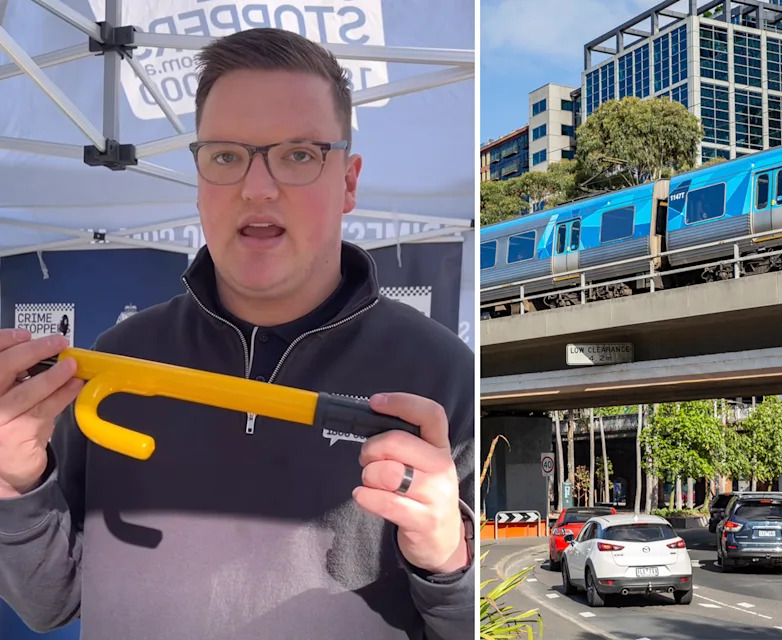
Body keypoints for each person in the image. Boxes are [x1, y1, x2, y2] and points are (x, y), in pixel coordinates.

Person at [0, 28, 474, 639]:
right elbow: (50, 603)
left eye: (299, 154)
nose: (257, 186)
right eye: (226, 155)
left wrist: (447, 564)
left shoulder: (441, 377)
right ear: (199, 179)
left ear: (349, 182)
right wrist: (15, 483)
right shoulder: (117, 360)